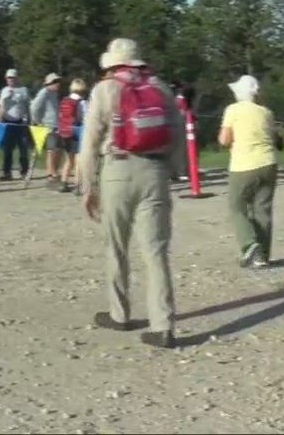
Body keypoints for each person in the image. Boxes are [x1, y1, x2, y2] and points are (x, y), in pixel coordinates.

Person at [77, 38, 186, 349]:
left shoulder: (104, 89)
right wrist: (173, 169)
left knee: (116, 246)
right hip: (154, 171)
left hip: (118, 170)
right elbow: (177, 130)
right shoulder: (160, 86)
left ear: (111, 63)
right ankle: (163, 324)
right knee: (155, 252)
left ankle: (120, 313)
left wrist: (88, 185)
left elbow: (89, 141)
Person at [219, 74, 278, 269]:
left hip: (244, 164)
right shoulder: (266, 112)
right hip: (269, 163)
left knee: (237, 207)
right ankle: (262, 255)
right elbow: (273, 136)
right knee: (263, 209)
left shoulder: (233, 110)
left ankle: (250, 244)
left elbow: (224, 139)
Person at [0, 68, 32, 181]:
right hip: (7, 122)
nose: (11, 80)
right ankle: (7, 173)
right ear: (6, 79)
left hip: (20, 122)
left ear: (17, 78)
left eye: (13, 77)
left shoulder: (23, 90)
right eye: (9, 78)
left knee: (23, 148)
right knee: (7, 149)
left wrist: (29, 119)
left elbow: (28, 106)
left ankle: (24, 172)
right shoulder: (4, 90)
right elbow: (0, 106)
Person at [30, 73, 64, 186]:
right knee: (52, 151)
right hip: (49, 126)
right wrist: (38, 121)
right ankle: (50, 175)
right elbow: (34, 107)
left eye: (58, 81)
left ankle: (55, 172)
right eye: (55, 82)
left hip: (57, 125)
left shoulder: (55, 94)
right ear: (48, 83)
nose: (57, 84)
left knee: (58, 150)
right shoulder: (44, 92)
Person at [56, 78, 88, 194]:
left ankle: (64, 183)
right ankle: (77, 185)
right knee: (79, 159)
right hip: (76, 132)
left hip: (64, 133)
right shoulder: (82, 102)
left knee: (69, 159)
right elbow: (85, 118)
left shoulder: (65, 100)